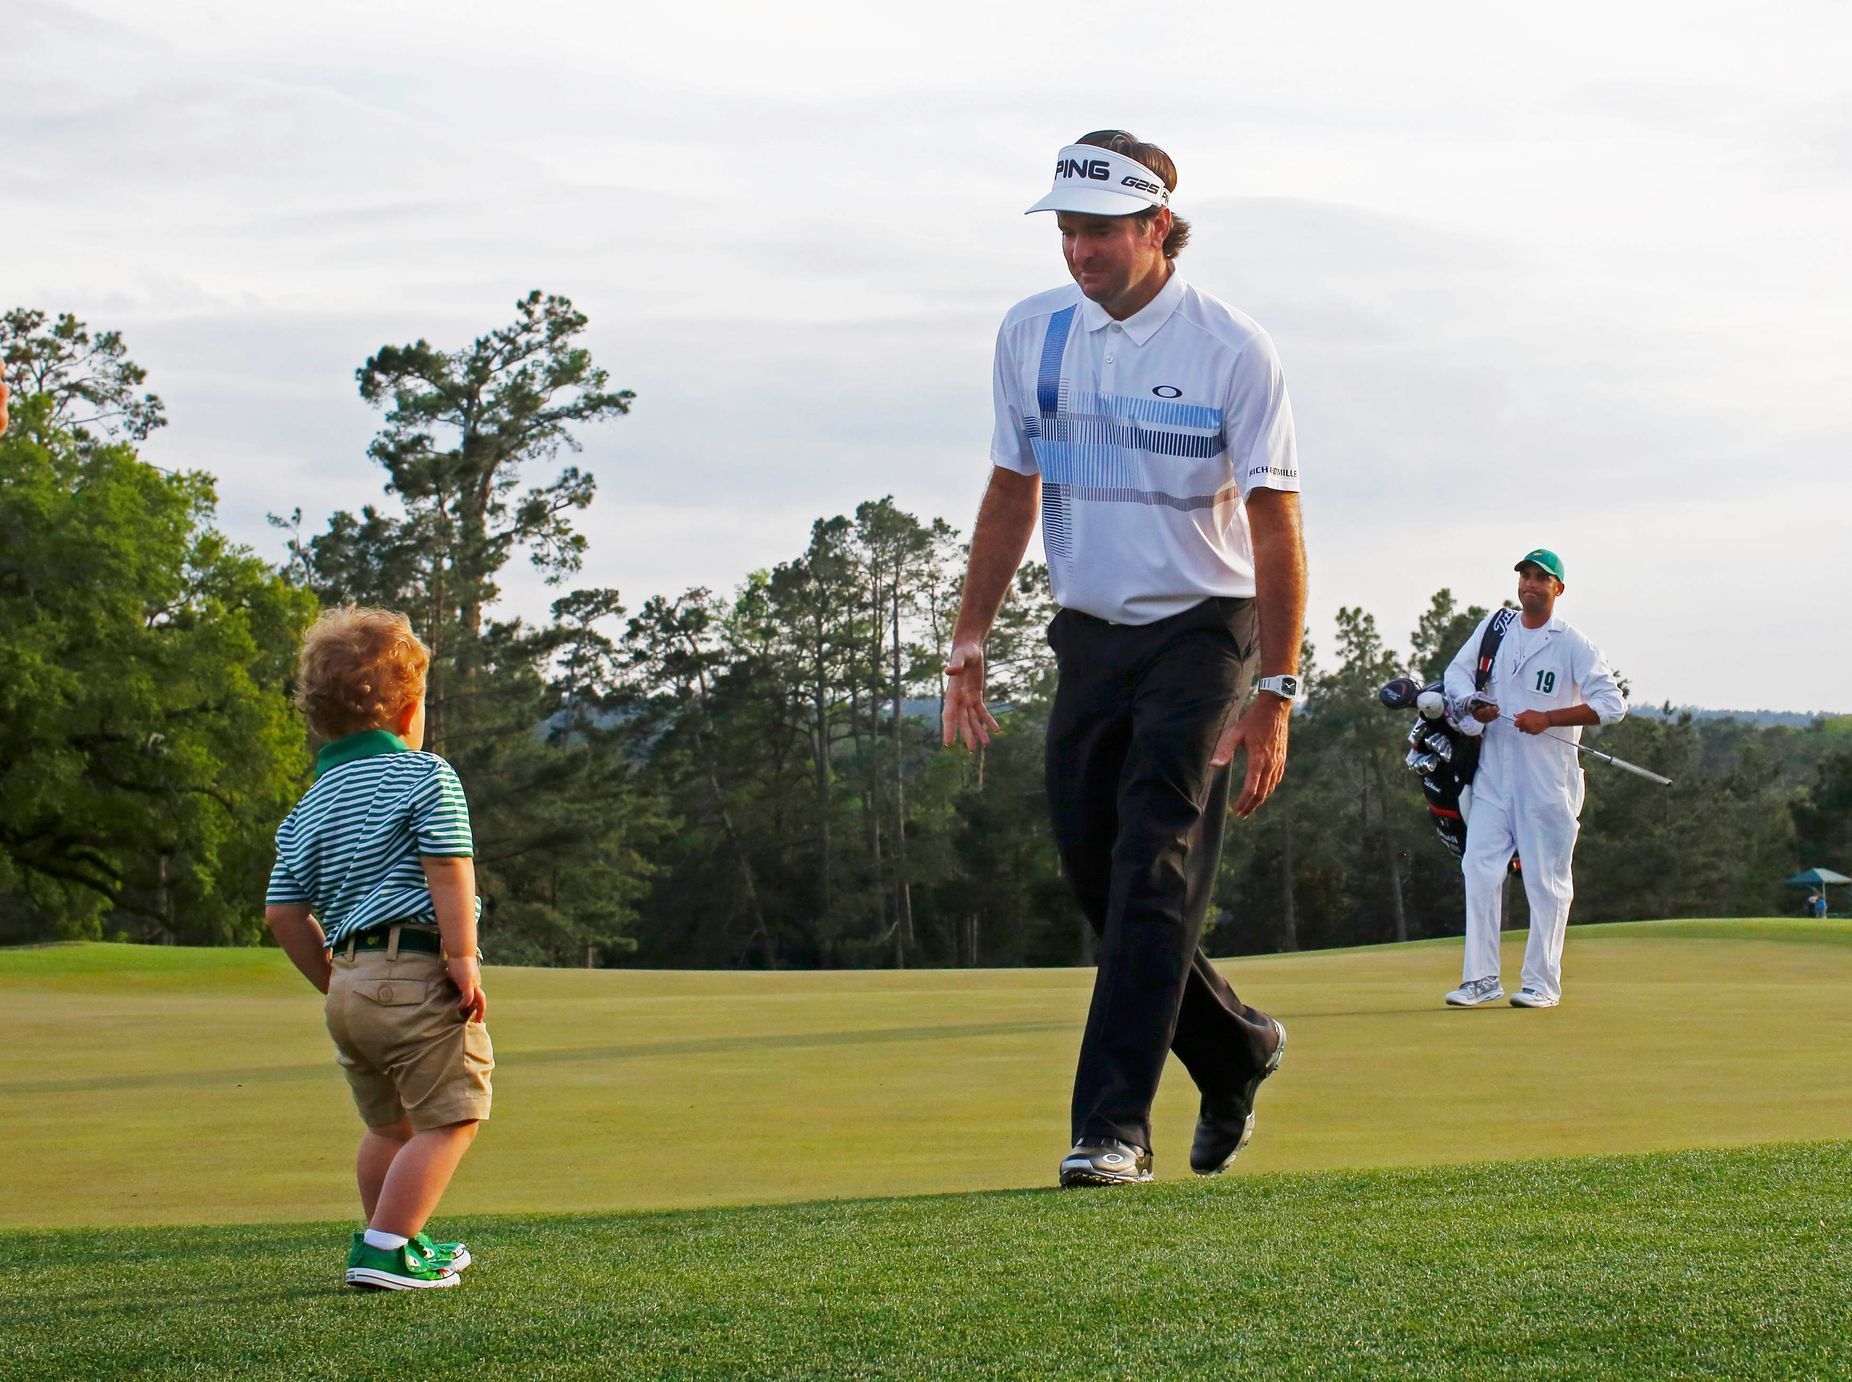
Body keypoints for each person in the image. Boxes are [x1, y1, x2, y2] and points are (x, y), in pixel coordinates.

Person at [942, 130, 1306, 1187]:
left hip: (1204, 629)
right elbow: (1012, 489)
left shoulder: (1233, 347)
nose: (1077, 250)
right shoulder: (1030, 332)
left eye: (1098, 230)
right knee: (1100, 882)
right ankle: (1236, 1045)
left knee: (1152, 870)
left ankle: (1110, 1130)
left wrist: (1275, 689)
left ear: (1157, 227)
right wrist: (970, 637)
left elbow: (1278, 528)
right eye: (1064, 228)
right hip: (1089, 636)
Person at [265, 607, 493, 1289]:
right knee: (453, 1117)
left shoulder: (307, 807)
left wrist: (333, 979)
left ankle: (394, 1236)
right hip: (416, 971)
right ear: (408, 712)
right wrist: (462, 958)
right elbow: (449, 864)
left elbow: (283, 913)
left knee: (389, 1126)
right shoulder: (426, 775)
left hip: (348, 987)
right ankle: (387, 1246)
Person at [1442, 549, 1625, 1009]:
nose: (1529, 584)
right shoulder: (1495, 628)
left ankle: (1542, 983)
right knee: (1478, 869)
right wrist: (1471, 705)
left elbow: (1611, 703)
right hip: (1493, 773)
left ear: (1557, 589)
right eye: (1524, 575)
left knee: (1546, 882)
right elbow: (1456, 676)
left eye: (1541, 578)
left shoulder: (1573, 644)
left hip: (1547, 783)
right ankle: (1480, 978)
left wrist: (1550, 717)